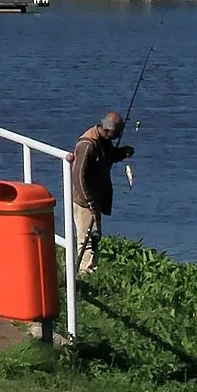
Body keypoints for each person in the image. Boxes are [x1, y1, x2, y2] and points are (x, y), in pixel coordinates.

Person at [68, 109, 132, 275]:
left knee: (95, 236)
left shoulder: (103, 140)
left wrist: (121, 153)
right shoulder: (87, 144)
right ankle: (84, 273)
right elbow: (77, 176)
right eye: (117, 133)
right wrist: (89, 200)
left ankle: (89, 270)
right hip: (84, 201)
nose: (118, 137)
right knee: (86, 238)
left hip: (95, 199)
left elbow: (106, 157)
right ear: (109, 130)